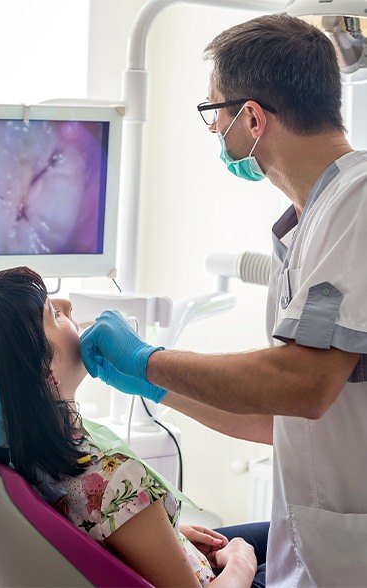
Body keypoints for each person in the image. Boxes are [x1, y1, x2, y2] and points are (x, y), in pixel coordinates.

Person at [80, 13, 367, 587]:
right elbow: (280, 419)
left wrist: (148, 359)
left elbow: (304, 386)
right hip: (317, 533)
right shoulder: (312, 220)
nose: (214, 131)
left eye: (214, 112)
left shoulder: (356, 204)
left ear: (252, 118)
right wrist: (161, 385)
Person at [0, 266, 266, 587]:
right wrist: (241, 560)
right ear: (44, 374)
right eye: (53, 314)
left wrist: (161, 541)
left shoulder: (17, 459)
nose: (68, 305)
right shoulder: (113, 480)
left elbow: (89, 541)